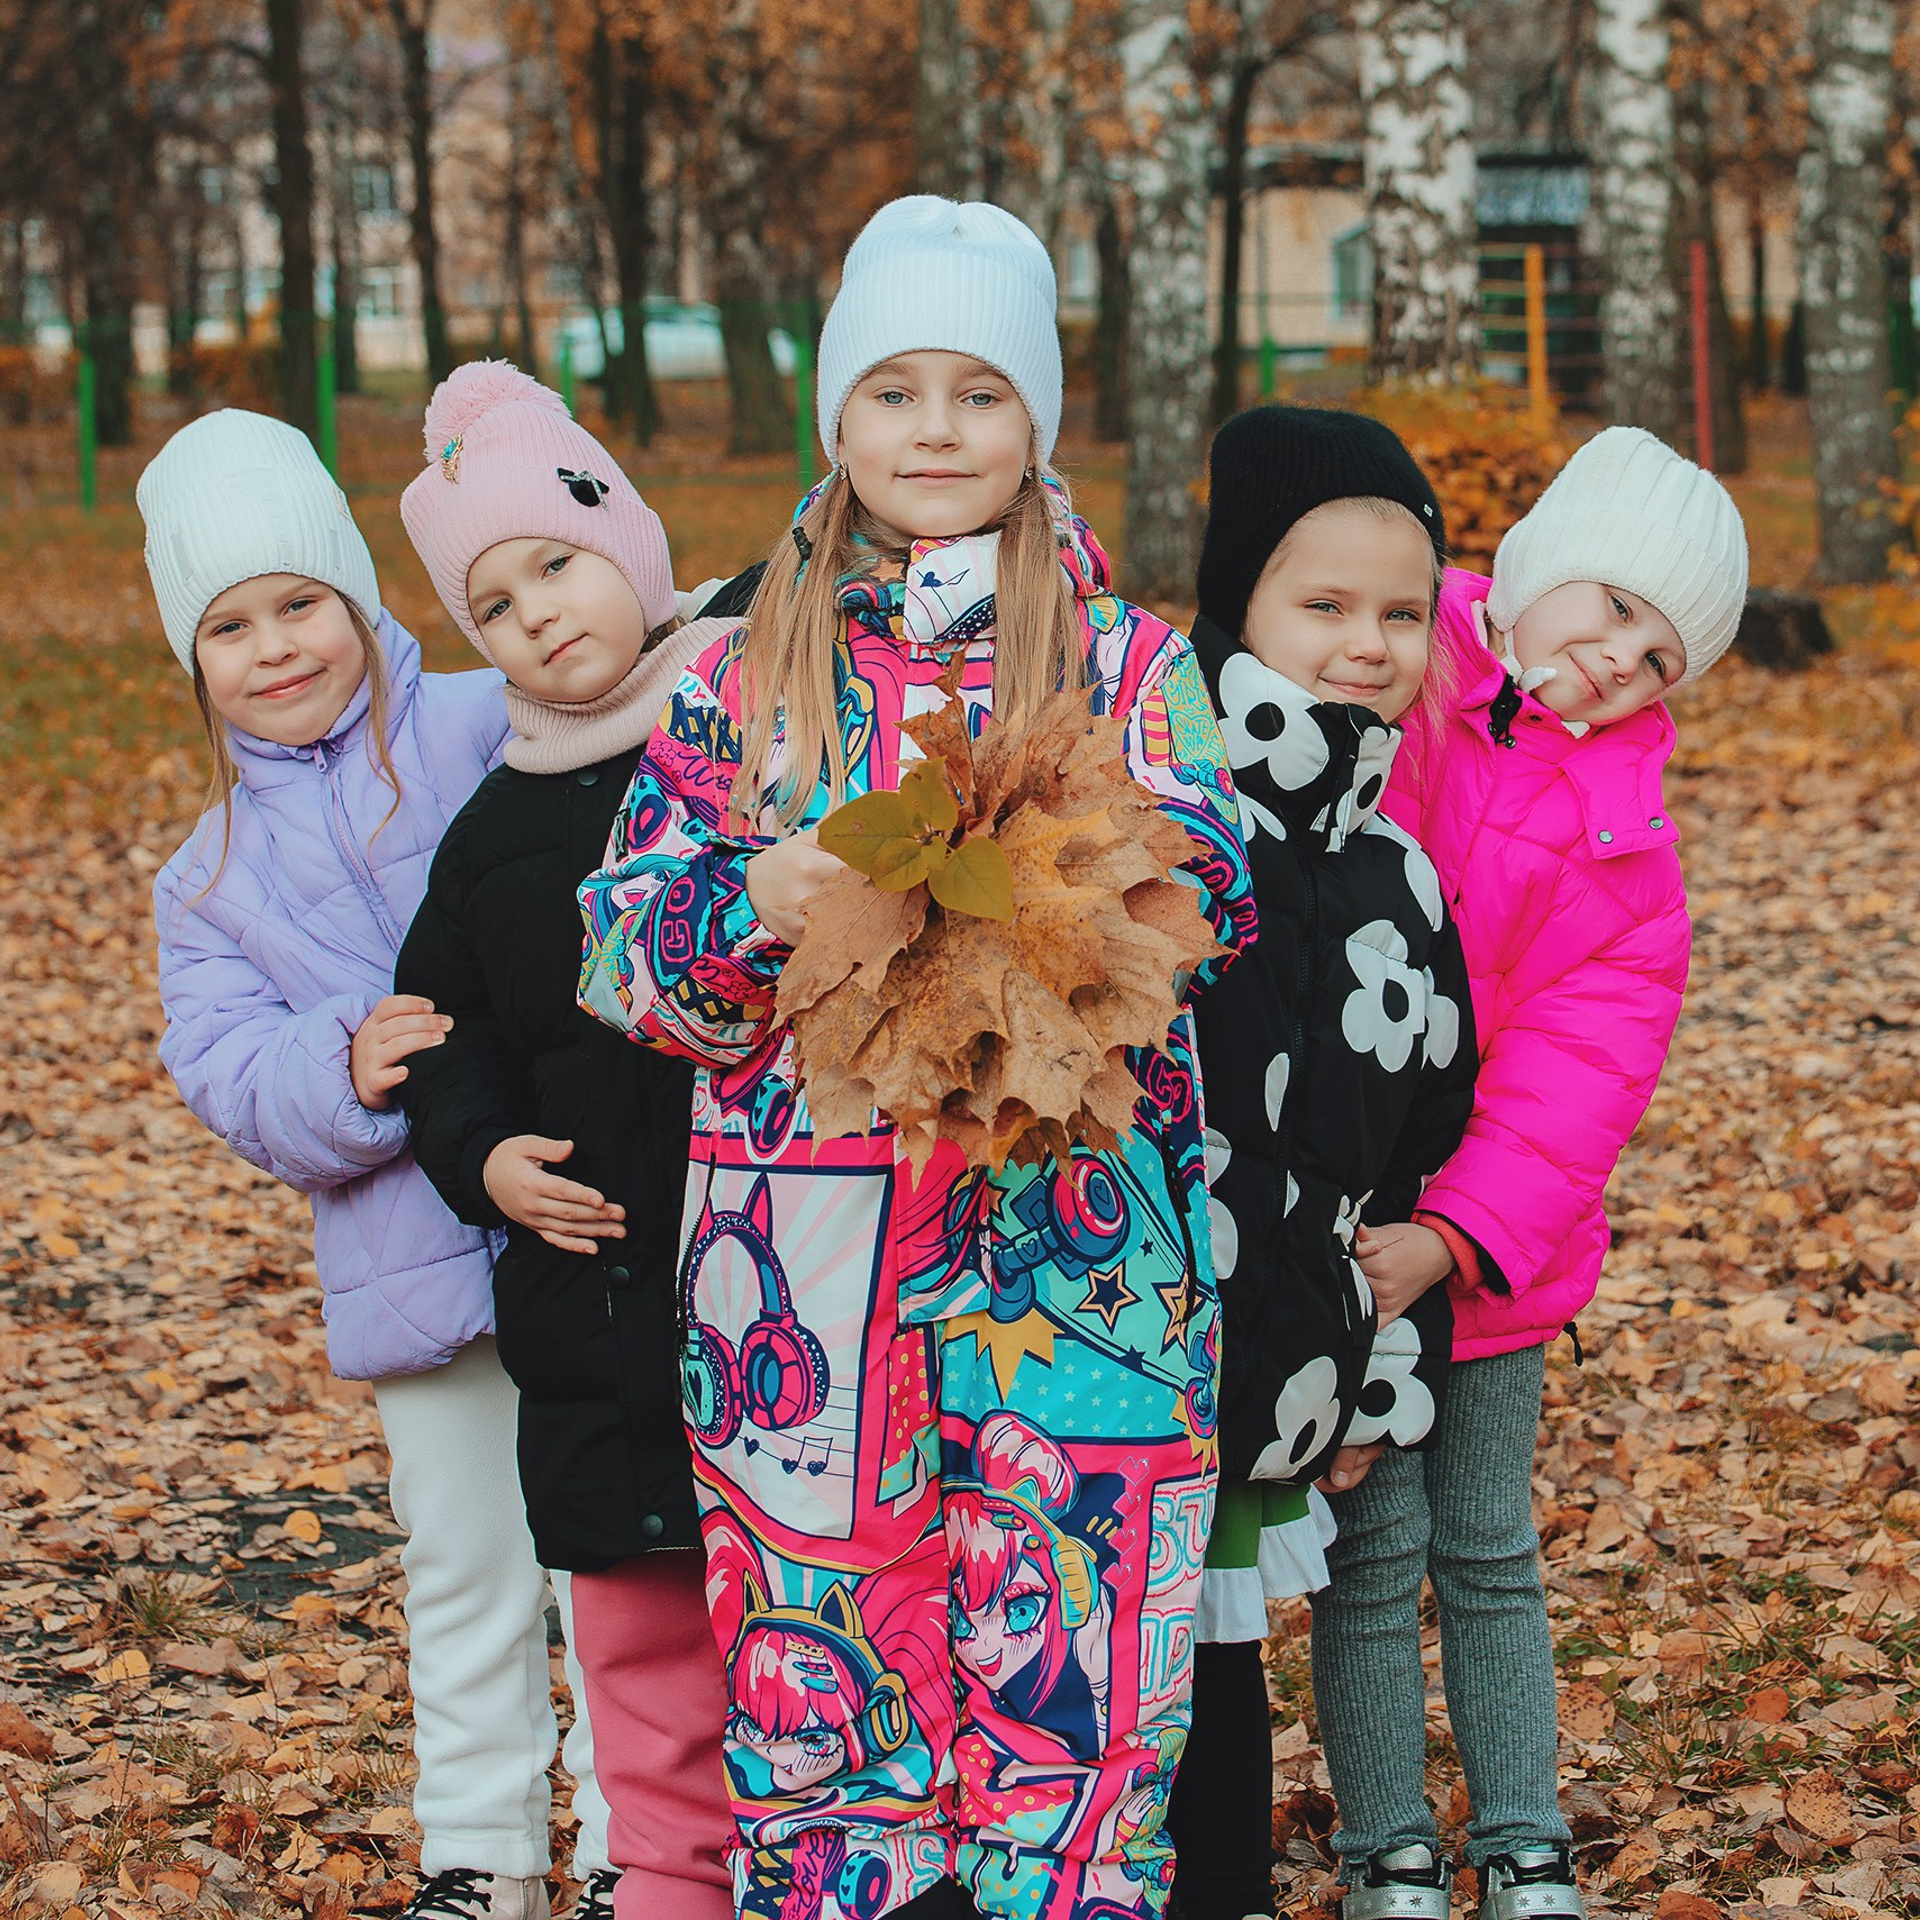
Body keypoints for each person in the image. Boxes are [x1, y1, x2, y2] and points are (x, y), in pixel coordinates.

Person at [575, 195, 1255, 1920]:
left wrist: (1066, 872)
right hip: (802, 1278)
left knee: (1079, 1681)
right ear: (838, 419)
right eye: (895, 391)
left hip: (1087, 1261)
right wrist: (754, 900)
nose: (936, 429)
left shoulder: (1129, 661)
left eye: (979, 393)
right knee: (823, 1698)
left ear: (1035, 425)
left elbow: (1217, 889)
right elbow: (627, 951)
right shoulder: (740, 675)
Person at [144, 410, 611, 1920]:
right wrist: (337, 1058)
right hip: (414, 1264)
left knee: (615, 1552)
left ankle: (639, 1843)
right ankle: (485, 1853)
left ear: (361, 598)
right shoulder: (207, 881)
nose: (276, 648)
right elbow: (224, 1070)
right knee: (469, 1565)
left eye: (301, 603)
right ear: (191, 659)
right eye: (230, 626)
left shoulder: (489, 720)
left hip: (589, 1218)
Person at [1311, 426, 1748, 1920]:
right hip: (1338, 1221)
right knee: (1368, 1550)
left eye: (1661, 656)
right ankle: (1387, 1844)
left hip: (1492, 1249)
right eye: (1611, 606)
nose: (1620, 659)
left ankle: (1523, 1832)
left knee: (1486, 1544)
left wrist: (1456, 1235)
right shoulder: (1402, 668)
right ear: (1546, 565)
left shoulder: (1632, 856)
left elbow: (1582, 1082)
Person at [390, 361, 752, 1920]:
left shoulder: (763, 734)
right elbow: (439, 1030)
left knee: (811, 1654)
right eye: (494, 601)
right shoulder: (497, 825)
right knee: (643, 1656)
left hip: (777, 1301)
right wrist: (482, 1159)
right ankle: (670, 1887)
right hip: (594, 1315)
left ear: (634, 540)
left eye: (558, 559)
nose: (537, 611)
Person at [1161, 406, 1477, 1920]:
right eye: (1325, 606)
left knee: (1221, 1693)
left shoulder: (1397, 873)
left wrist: (1367, 1366)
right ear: (1238, 610)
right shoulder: (1164, 819)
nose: (1370, 645)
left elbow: (1406, 1157)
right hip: (1118, 1375)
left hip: (1278, 1372)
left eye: (1403, 613)